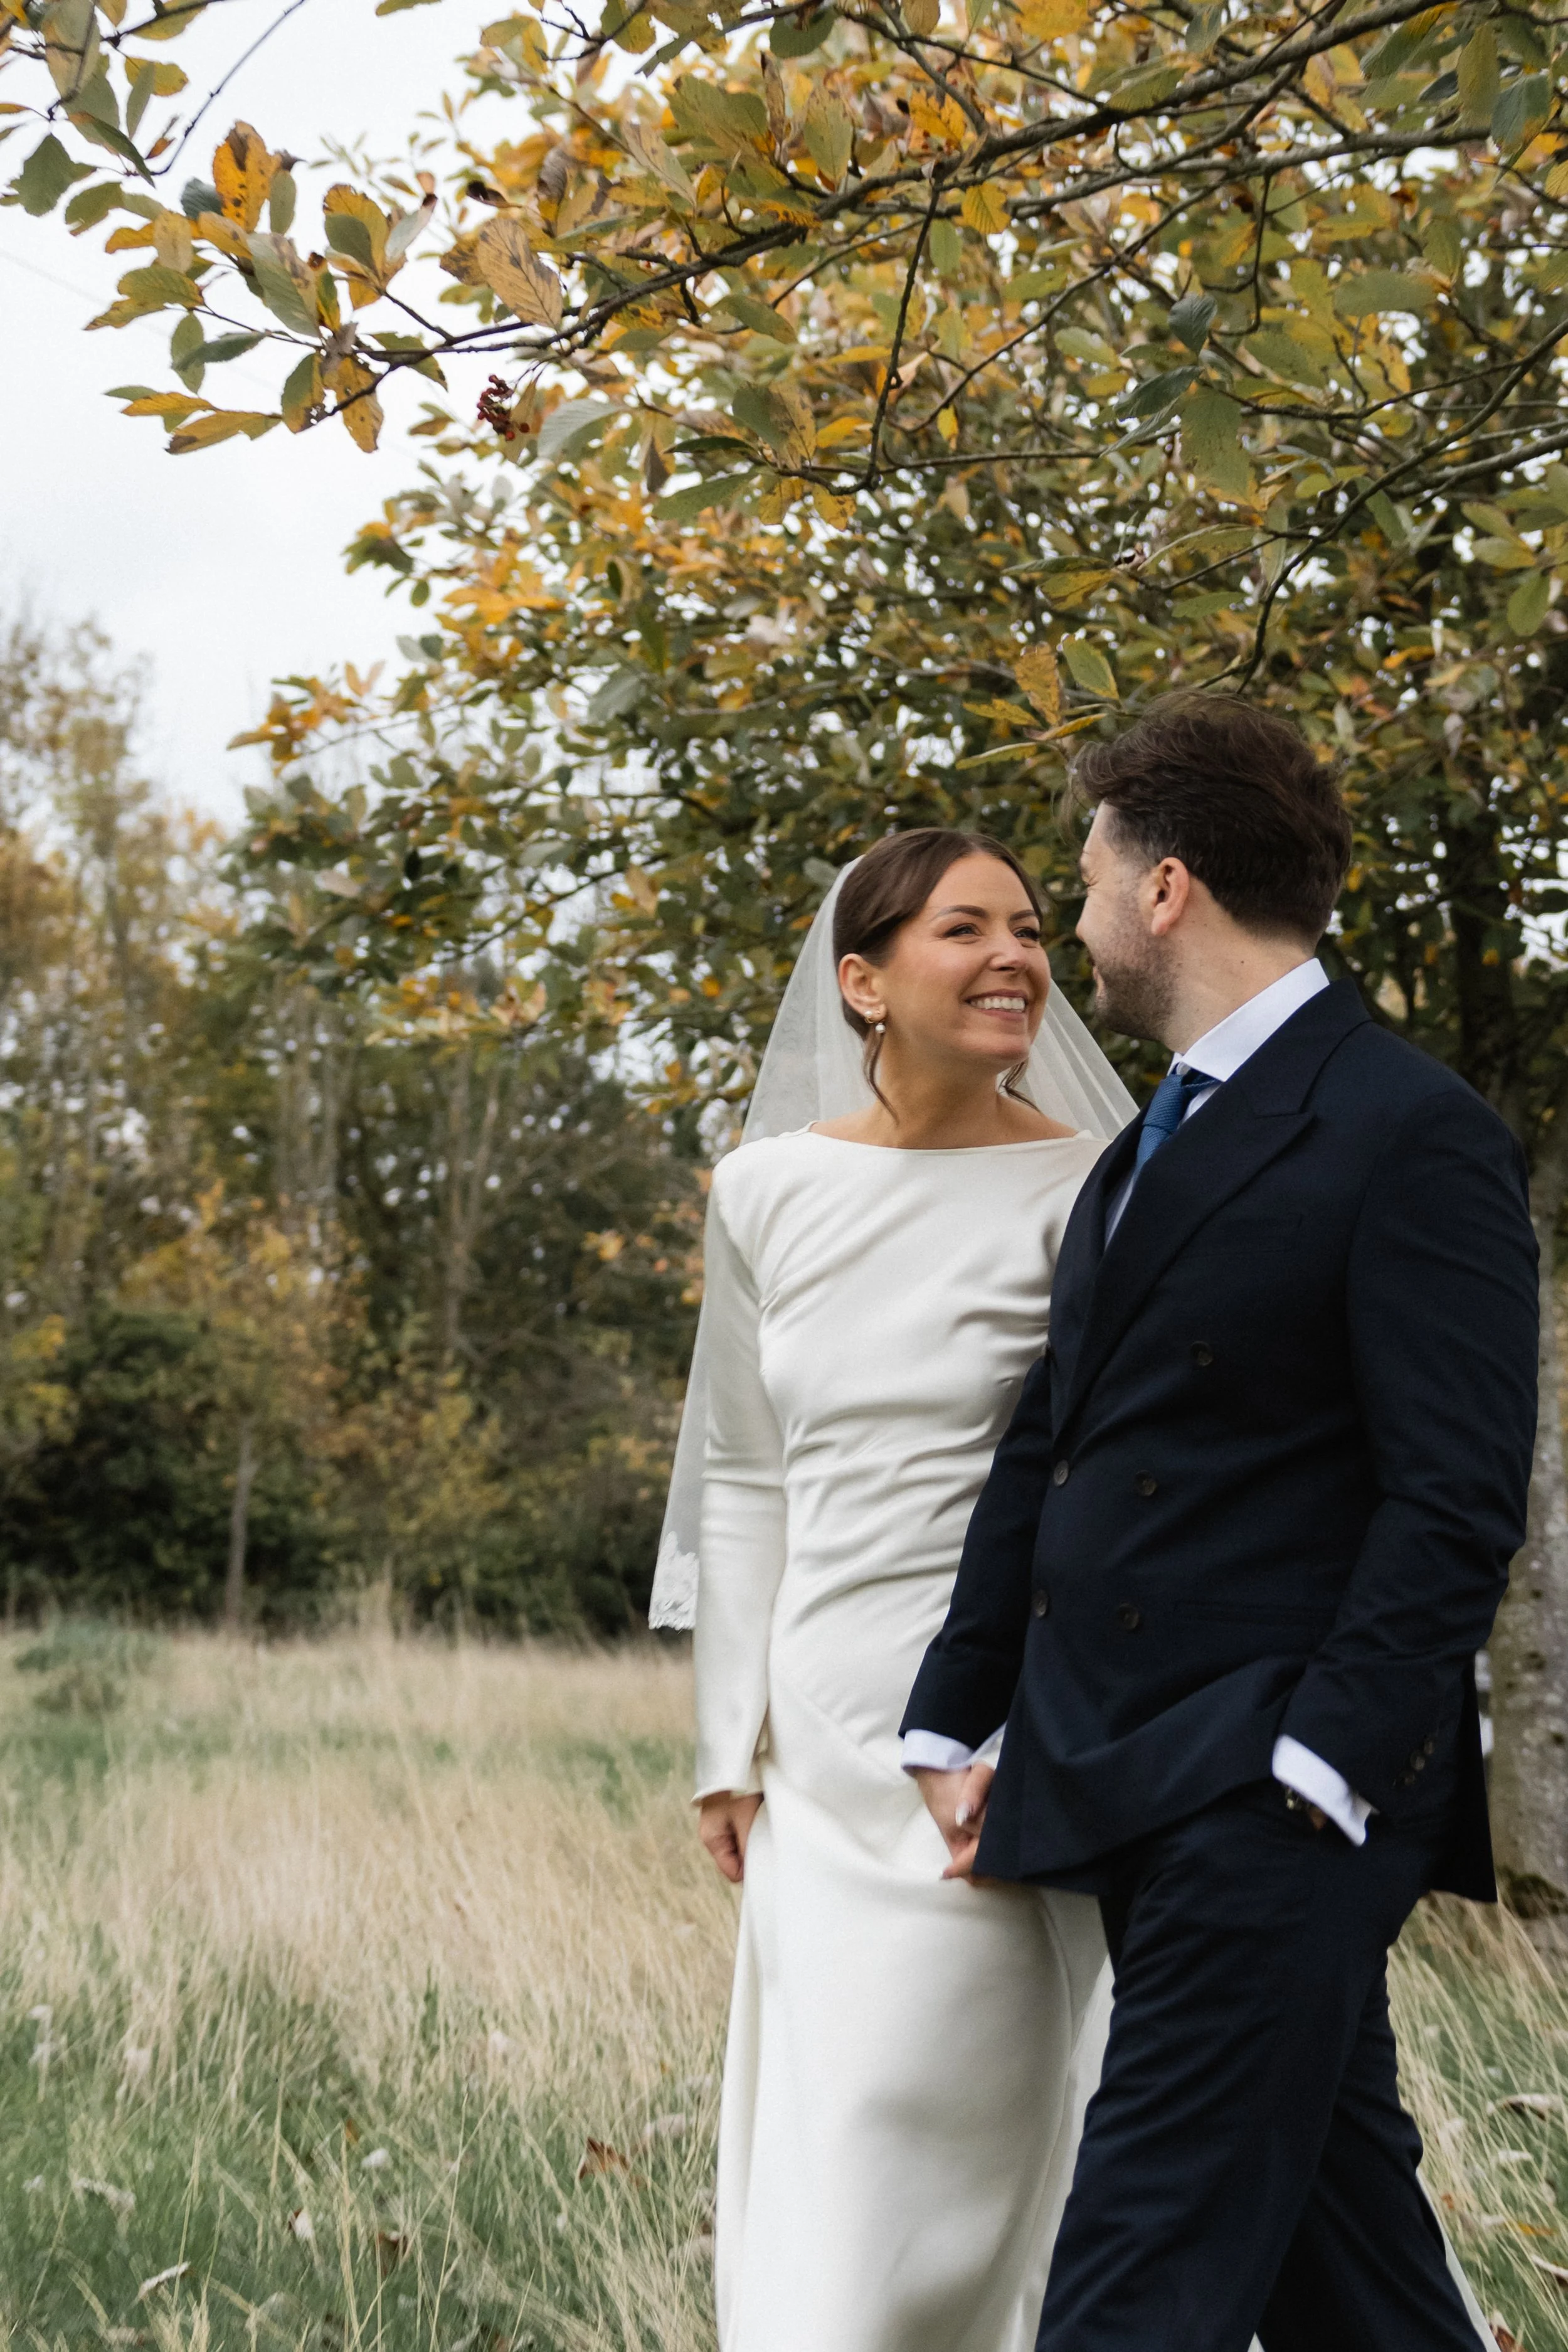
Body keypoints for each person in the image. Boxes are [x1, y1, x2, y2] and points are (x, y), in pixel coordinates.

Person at [906, 693, 1537, 2352]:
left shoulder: (1412, 1132)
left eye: (1090, 880)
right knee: (1355, 2276)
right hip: (1135, 1762)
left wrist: (1318, 1766)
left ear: (1164, 884)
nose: (1082, 925)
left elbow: (1454, 1492)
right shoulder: (1141, 1153)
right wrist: (953, 1700)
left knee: (1132, 2275)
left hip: (1272, 1792)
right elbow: (1056, 1445)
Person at [648, 828, 1135, 2352]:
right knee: (818, 2137)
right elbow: (742, 1472)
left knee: (939, 2134)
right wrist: (728, 1746)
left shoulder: (1094, 1183)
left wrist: (1019, 1723)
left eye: (1032, 923)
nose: (1014, 954)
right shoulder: (763, 1190)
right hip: (816, 1746)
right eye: (962, 928)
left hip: (985, 1734)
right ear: (860, 982)